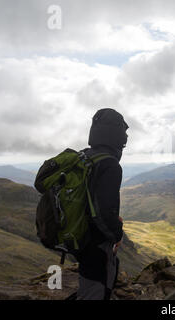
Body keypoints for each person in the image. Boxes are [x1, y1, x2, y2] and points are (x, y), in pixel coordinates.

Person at [75, 108, 129, 300]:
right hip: (96, 242)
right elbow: (105, 213)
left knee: (89, 281)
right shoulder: (110, 165)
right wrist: (117, 234)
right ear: (118, 137)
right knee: (97, 289)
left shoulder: (84, 156)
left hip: (80, 235)